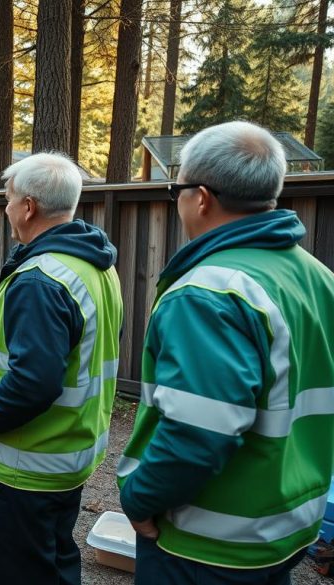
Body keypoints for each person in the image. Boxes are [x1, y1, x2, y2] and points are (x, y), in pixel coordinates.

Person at [117, 121, 334, 584]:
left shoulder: (207, 292)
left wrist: (138, 500)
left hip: (210, 545)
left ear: (201, 197)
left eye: (174, 189)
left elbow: (198, 431)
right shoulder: (316, 276)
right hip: (288, 526)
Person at [0, 152, 123, 585]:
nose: (7, 208)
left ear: (27, 206)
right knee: (54, 564)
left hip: (26, 471)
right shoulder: (96, 267)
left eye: (9, 199)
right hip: (68, 458)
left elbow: (33, 382)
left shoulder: (39, 280)